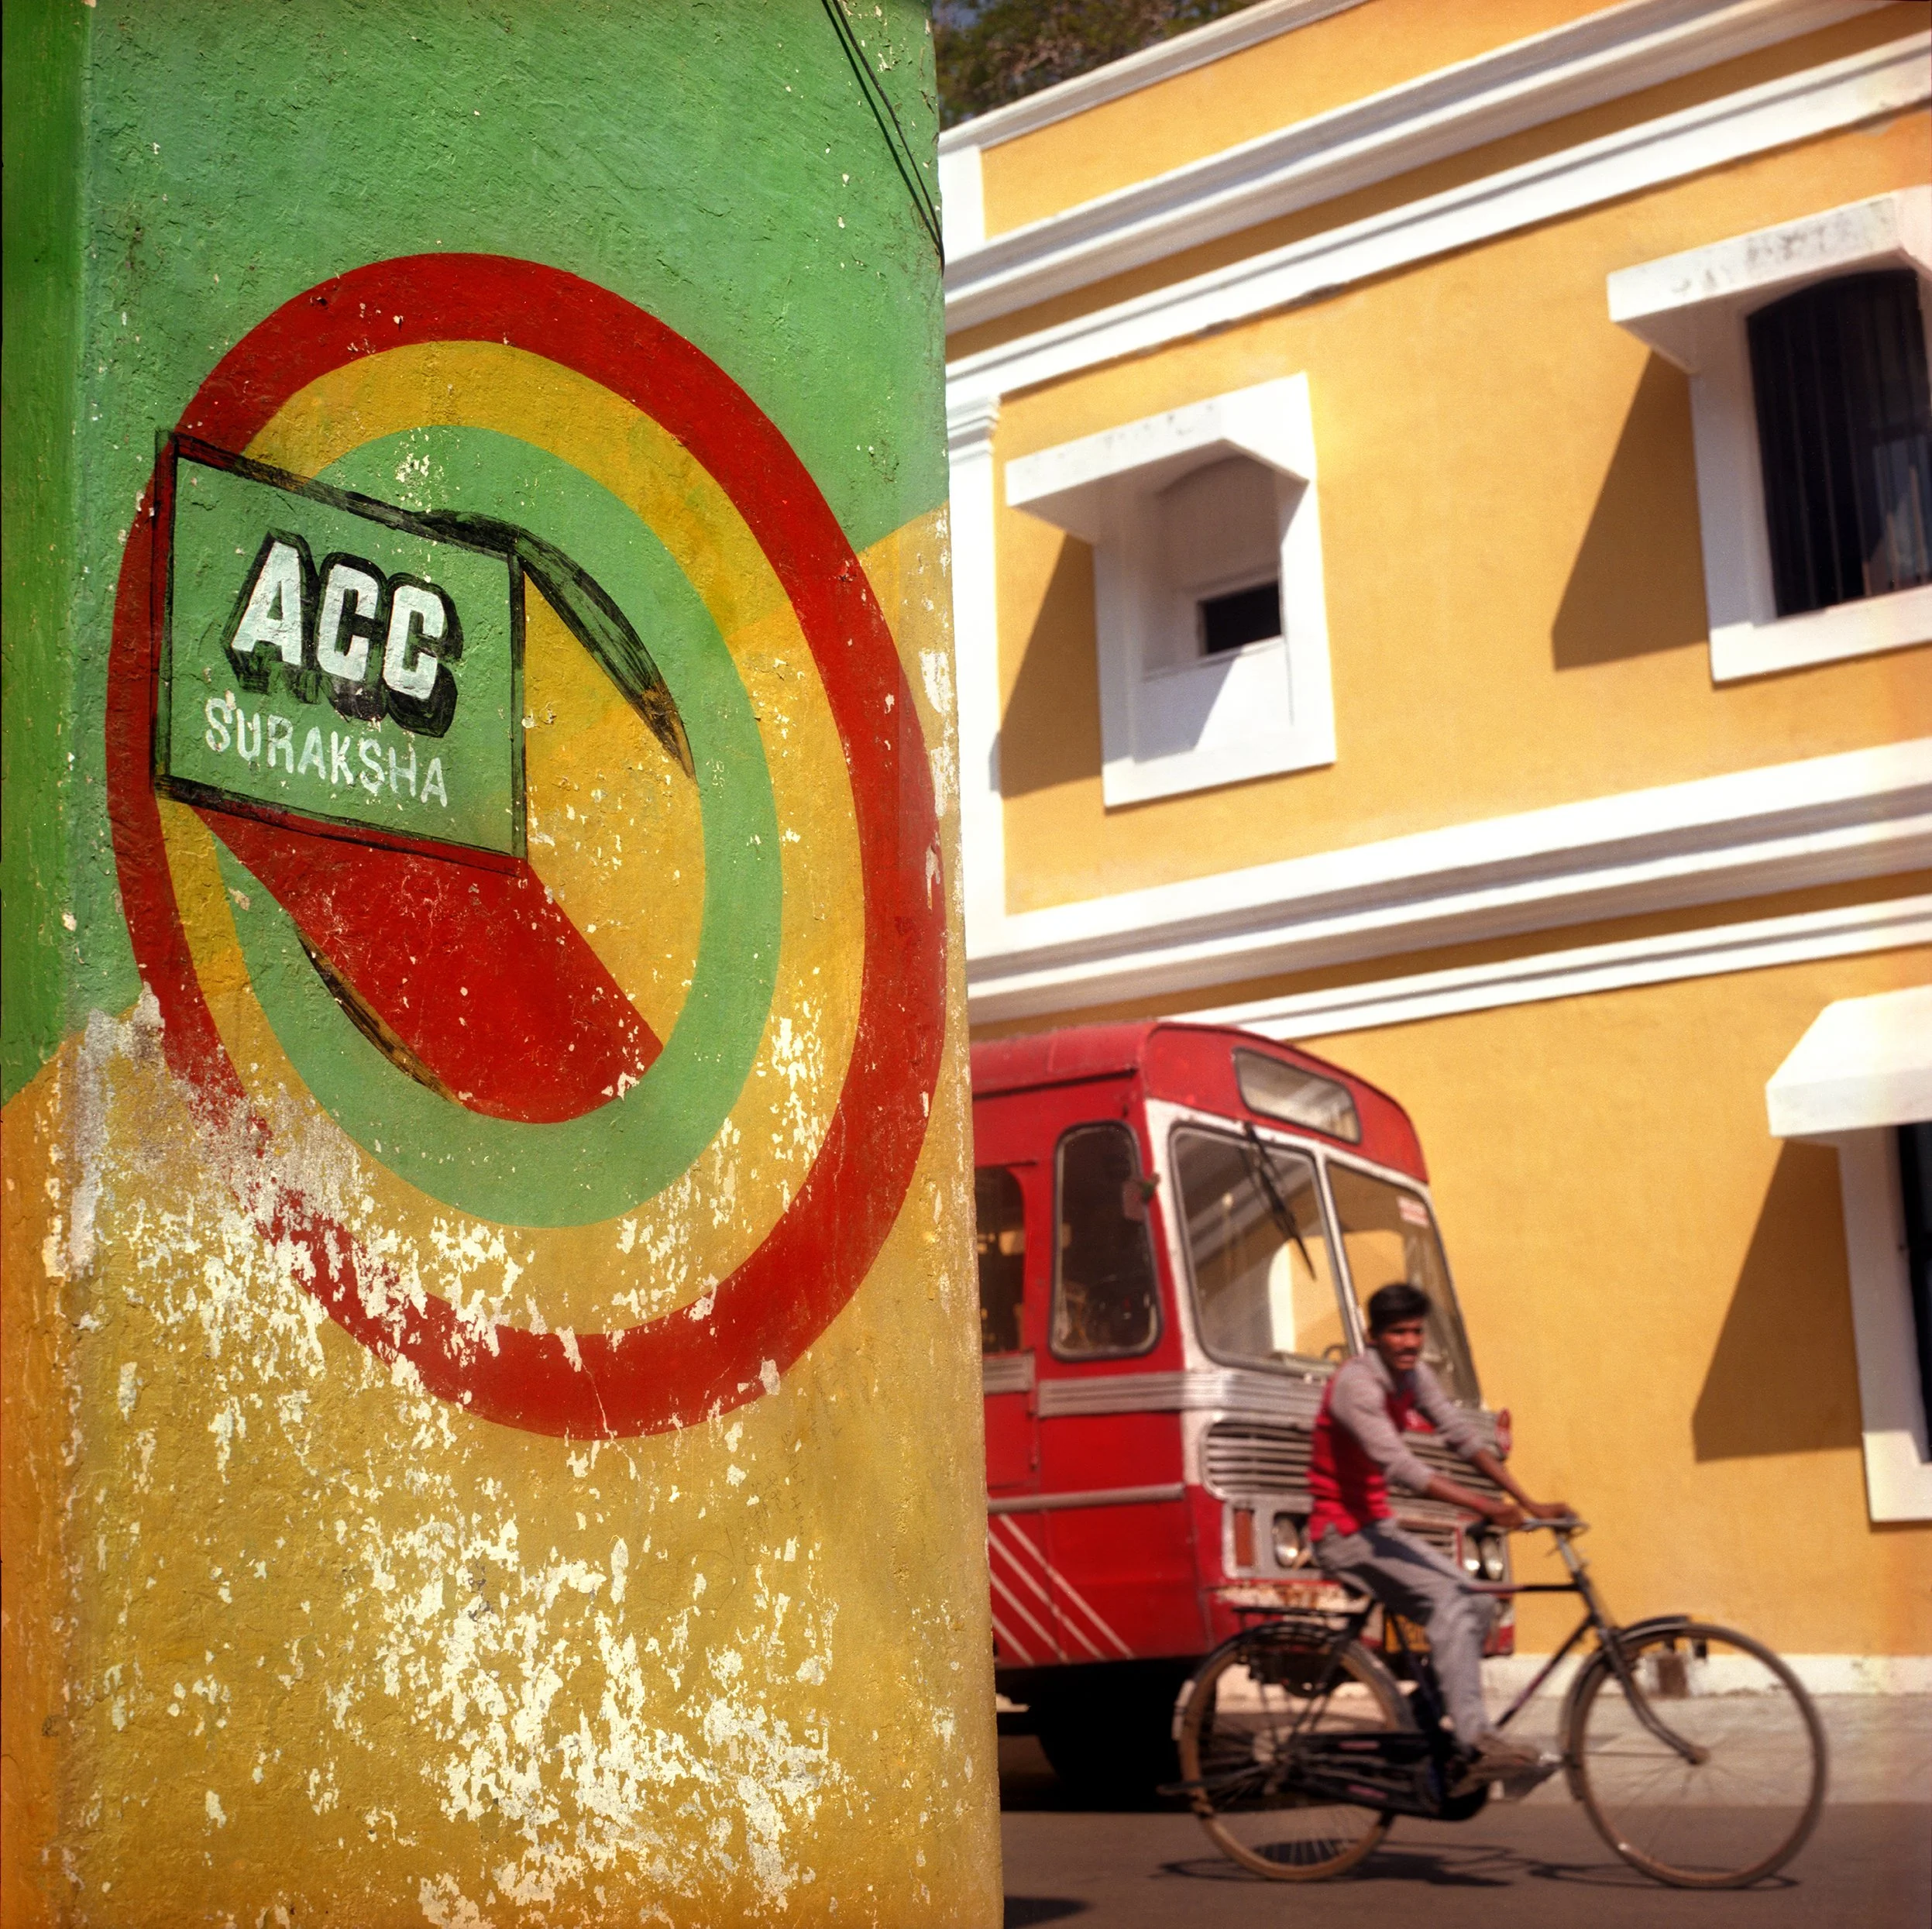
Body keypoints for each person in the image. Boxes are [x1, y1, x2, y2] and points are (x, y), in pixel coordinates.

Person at [1309, 1281, 1569, 1791]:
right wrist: (1485, 1507)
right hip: (1341, 1533)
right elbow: (1400, 1465)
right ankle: (1476, 1743)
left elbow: (1461, 1436)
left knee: (1477, 1604)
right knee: (1450, 1604)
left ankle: (1419, 1720)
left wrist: (1529, 1500)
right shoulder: (1355, 1386)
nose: (1409, 1343)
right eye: (1398, 1333)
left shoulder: (1413, 1377)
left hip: (1377, 1527)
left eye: (1416, 1332)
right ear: (1374, 1336)